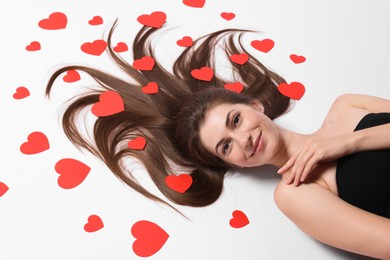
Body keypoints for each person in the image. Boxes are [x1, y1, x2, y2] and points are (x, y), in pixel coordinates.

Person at [45, 21, 390, 259]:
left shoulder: (347, 107)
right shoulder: (297, 193)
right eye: (225, 146)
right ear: (231, 163)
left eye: (235, 120)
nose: (242, 139)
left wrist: (348, 143)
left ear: (255, 105)